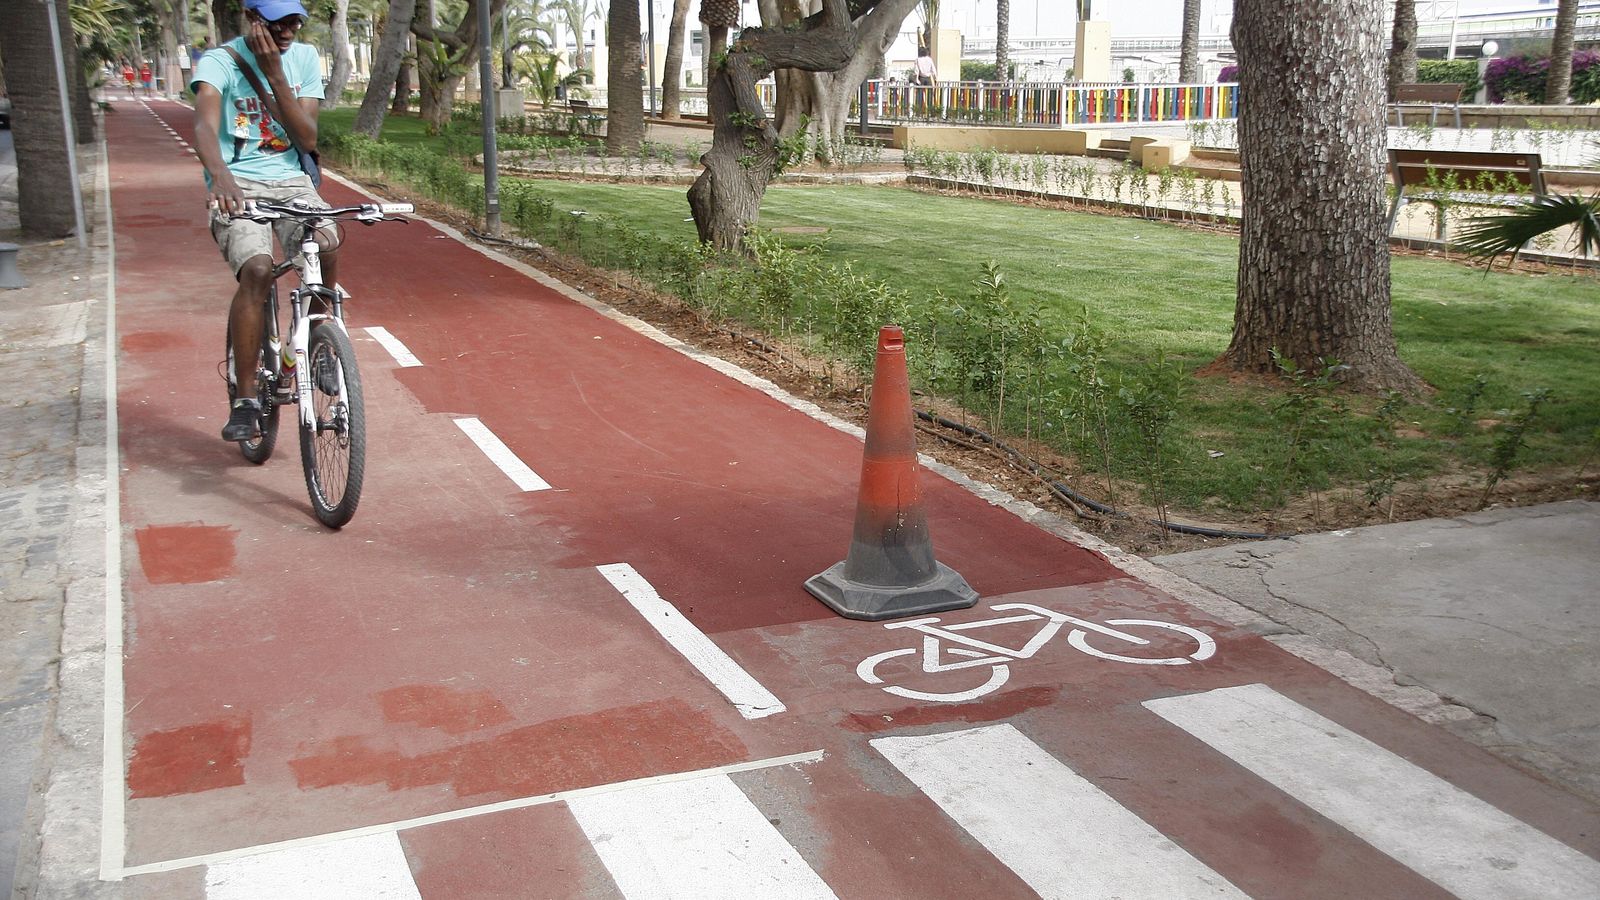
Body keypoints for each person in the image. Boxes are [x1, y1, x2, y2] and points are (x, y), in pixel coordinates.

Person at [190, 0, 333, 442]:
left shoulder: (305, 58)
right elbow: (202, 126)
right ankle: (246, 397)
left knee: (325, 244)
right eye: (277, 22)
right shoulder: (220, 61)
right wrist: (220, 176)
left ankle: (319, 338)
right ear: (253, 20)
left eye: (295, 21)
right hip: (239, 183)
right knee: (256, 270)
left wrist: (275, 73)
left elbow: (307, 137)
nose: (288, 30)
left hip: (291, 181)